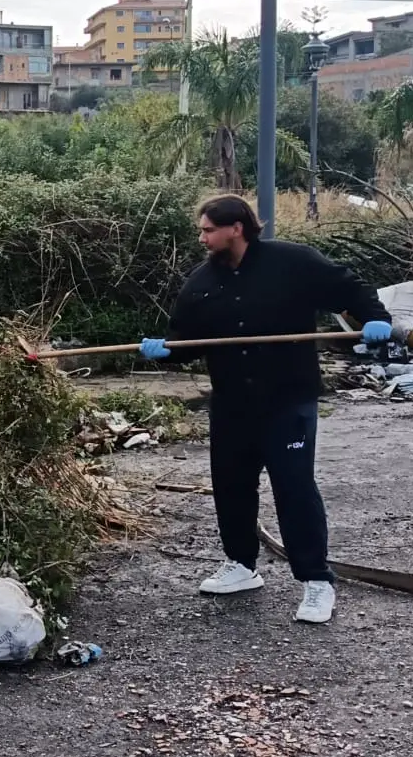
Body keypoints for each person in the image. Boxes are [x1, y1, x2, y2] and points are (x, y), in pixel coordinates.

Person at [139, 195, 391, 625]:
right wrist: (164, 351)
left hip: (287, 398)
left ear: (236, 227)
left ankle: (316, 581)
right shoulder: (200, 284)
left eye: (207, 230)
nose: (202, 238)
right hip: (233, 403)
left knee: (293, 488)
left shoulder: (293, 263)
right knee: (232, 486)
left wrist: (374, 317)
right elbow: (184, 342)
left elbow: (348, 288)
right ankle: (241, 564)